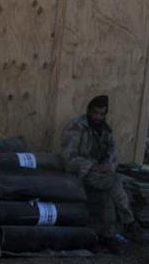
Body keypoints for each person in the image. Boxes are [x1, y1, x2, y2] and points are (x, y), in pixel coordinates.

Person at [60, 95, 142, 254]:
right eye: (95, 113)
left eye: (102, 114)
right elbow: (68, 159)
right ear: (89, 111)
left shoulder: (105, 131)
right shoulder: (77, 128)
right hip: (79, 172)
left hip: (99, 176)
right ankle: (129, 222)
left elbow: (113, 155)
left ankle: (107, 236)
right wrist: (94, 166)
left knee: (109, 190)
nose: (98, 117)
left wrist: (109, 166)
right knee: (113, 182)